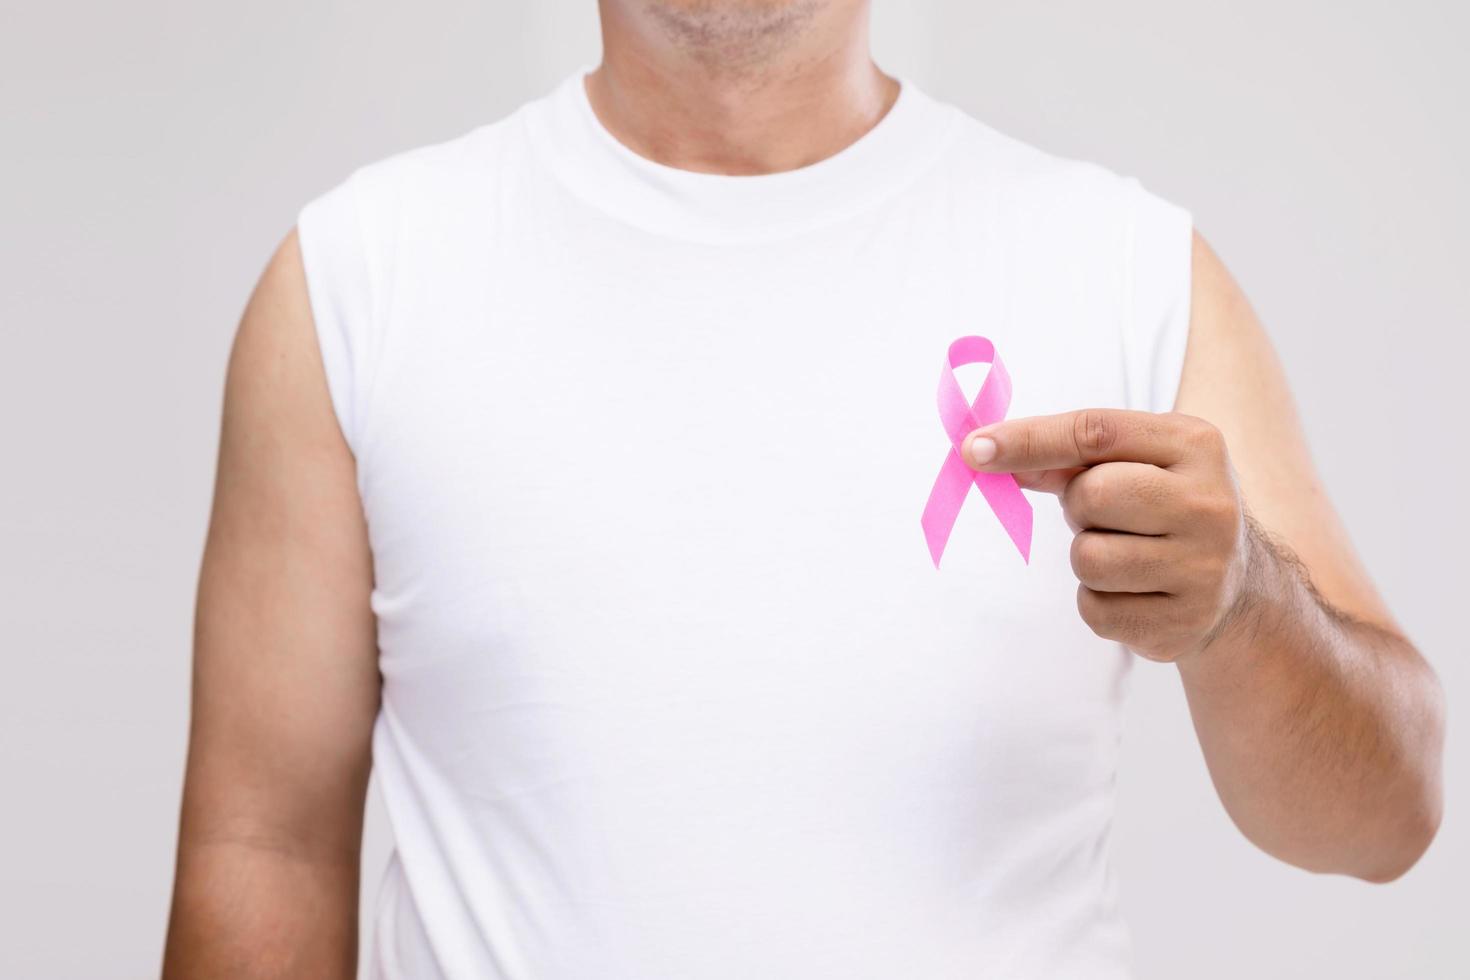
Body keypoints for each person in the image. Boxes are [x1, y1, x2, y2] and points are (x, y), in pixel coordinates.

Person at [161, 2, 1445, 977]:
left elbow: (1387, 819)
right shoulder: (356, 282)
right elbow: (260, 850)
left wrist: (1244, 604)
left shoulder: (1125, 268)